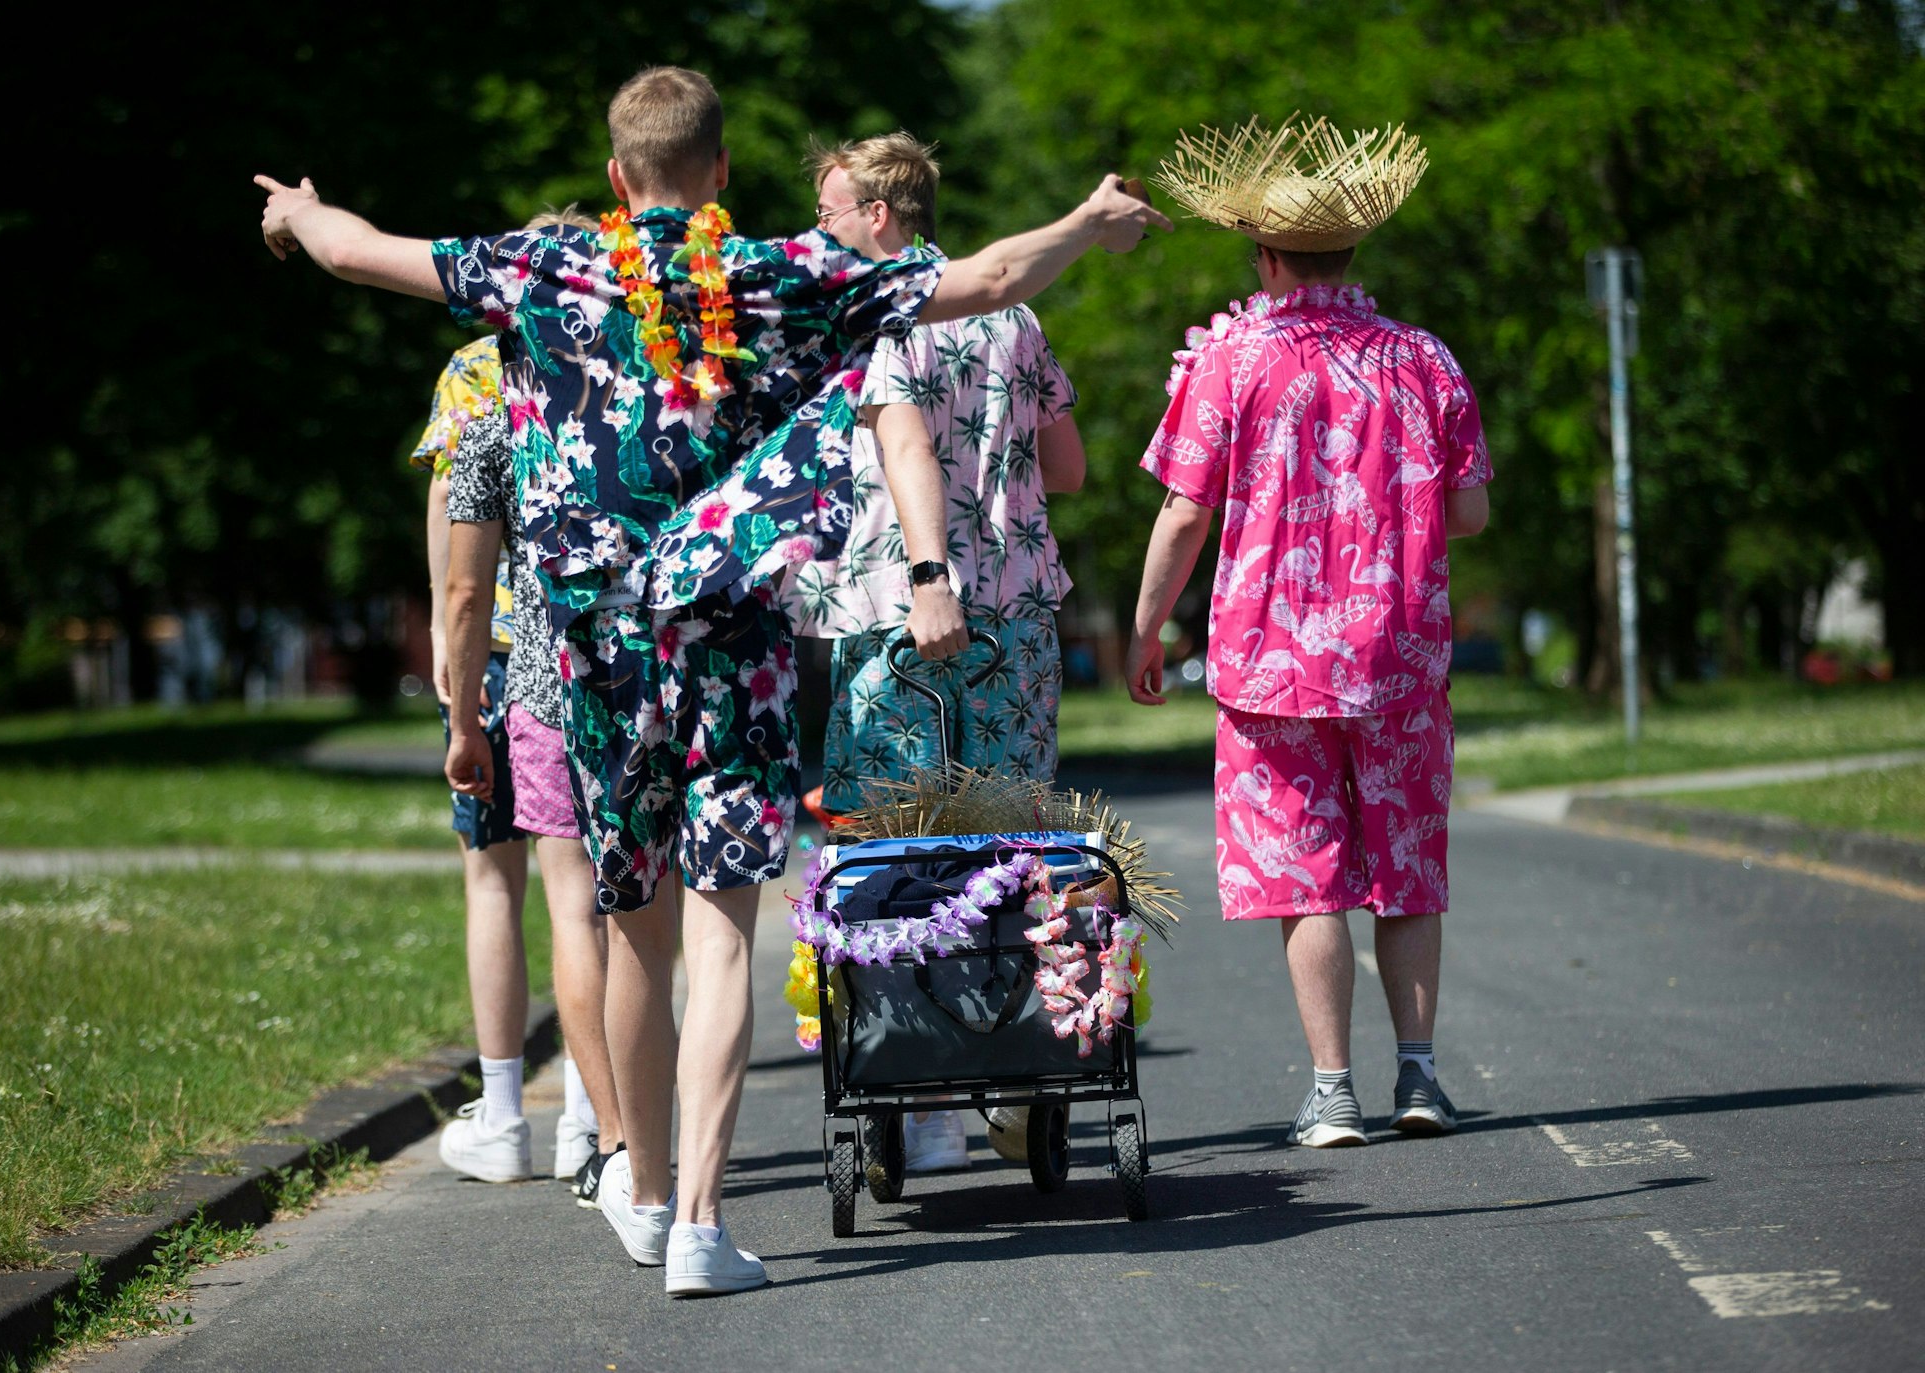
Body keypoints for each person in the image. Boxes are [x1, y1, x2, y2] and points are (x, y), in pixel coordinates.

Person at [256, 64, 1167, 1296]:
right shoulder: (775, 274)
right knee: (721, 931)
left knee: (627, 928)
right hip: (725, 639)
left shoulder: (542, 269)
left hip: (585, 652)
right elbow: (987, 279)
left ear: (617, 176)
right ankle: (696, 1222)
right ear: (723, 174)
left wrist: (299, 215)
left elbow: (365, 252)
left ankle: (638, 1192)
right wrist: (1088, 223)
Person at [1126, 115, 1491, 1148]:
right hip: (1398, 655)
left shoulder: (1231, 358)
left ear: (1263, 255)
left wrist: (1148, 626)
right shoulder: (1421, 357)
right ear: (1349, 248)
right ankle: (1416, 1077)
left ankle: (1331, 1090)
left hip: (1268, 659)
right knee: (1404, 865)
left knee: (1307, 874)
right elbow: (1465, 511)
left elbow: (1184, 509)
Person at [783, 132, 1084, 1174]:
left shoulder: (869, 313)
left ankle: (915, 1092)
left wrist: (926, 565)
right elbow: (1070, 466)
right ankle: (1017, 1067)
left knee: (890, 845)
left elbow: (901, 443)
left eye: (826, 213)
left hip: (893, 604)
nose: (815, 232)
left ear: (877, 216)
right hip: (1015, 605)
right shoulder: (1014, 310)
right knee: (1010, 838)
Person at [439, 209, 629, 1209]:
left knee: (541, 899)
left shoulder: (482, 399)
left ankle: (559, 1124)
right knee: (643, 913)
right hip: (650, 679)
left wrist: (457, 690)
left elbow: (462, 583)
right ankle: (609, 1129)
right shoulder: (650, 384)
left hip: (537, 680)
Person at [414, 336, 538, 1183]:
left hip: (490, 647)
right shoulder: (625, 341)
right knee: (594, 891)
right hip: (587, 648)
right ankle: (602, 1125)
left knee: (493, 877)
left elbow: (447, 506)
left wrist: (440, 636)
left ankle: (502, 1115)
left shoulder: (476, 365)